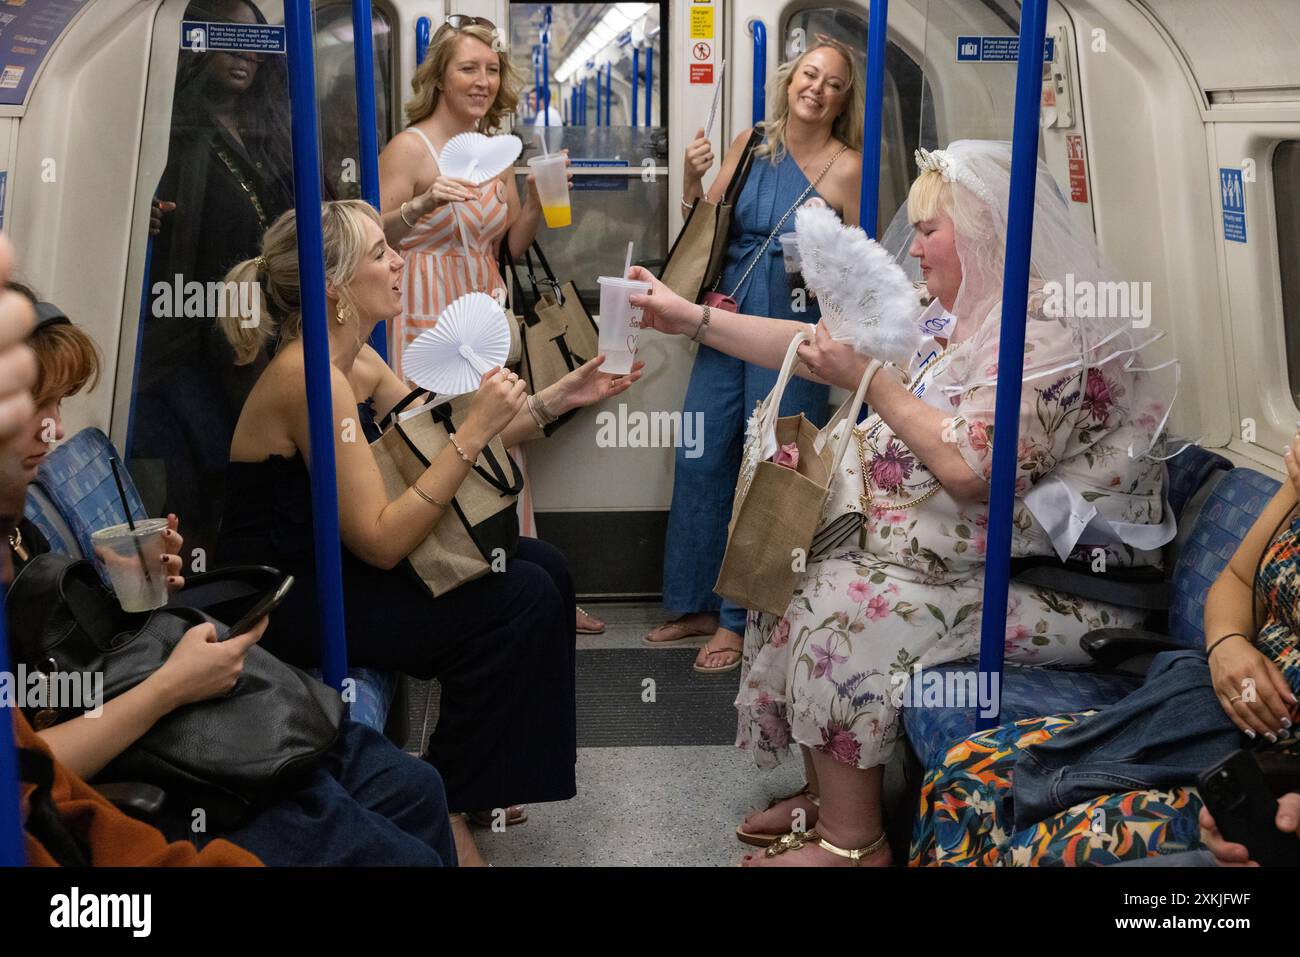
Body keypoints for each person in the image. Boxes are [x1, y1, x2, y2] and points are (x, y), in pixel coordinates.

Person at [629, 140, 1177, 865]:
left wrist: (874, 384)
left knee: (842, 598)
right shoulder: (962, 312)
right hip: (984, 555)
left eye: (928, 230)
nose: (912, 248)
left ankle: (854, 843)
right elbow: (816, 343)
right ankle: (829, 797)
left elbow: (969, 470)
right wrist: (690, 318)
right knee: (793, 568)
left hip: (1073, 585)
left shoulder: (1051, 337)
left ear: (982, 233)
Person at [215, 199, 640, 865]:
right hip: (289, 596)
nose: (399, 261)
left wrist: (568, 393)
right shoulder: (311, 377)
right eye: (381, 252)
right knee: (515, 603)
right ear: (336, 290)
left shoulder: (355, 360)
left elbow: (433, 434)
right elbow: (383, 536)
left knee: (544, 570)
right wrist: (471, 434)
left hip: (337, 566)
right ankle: (444, 796)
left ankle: (484, 780)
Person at [9, 292, 457, 866]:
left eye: (57, 405)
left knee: (417, 790)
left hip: (163, 711)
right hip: (145, 760)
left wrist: (129, 593)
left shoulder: (18, 523)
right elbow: (31, 765)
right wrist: (171, 685)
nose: (54, 431)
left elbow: (64, 653)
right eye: (35, 406)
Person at [377, 14, 603, 634]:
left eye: (491, 69)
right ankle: (441, 590)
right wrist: (422, 204)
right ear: (440, 78)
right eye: (467, 68)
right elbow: (371, 235)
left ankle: (521, 583)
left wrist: (532, 202)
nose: (482, 81)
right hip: (426, 311)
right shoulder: (410, 148)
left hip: (485, 306)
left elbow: (505, 245)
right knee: (438, 447)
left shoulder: (499, 151)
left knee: (501, 443)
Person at [644, 40, 865, 674]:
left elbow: (868, 268)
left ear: (843, 99)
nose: (817, 89)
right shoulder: (750, 144)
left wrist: (830, 251)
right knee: (703, 453)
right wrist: (690, 178)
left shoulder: (848, 168)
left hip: (794, 335)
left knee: (771, 465)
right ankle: (695, 603)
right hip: (727, 321)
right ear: (790, 79)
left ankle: (742, 620)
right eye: (809, 75)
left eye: (833, 84)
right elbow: (704, 227)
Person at [131, 0, 297, 558]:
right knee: (204, 480)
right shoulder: (166, 127)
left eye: (256, 40)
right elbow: (125, 208)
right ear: (194, 42)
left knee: (249, 480)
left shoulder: (269, 130)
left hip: (257, 332)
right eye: (226, 36)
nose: (244, 51)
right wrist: (141, 221)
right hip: (186, 330)